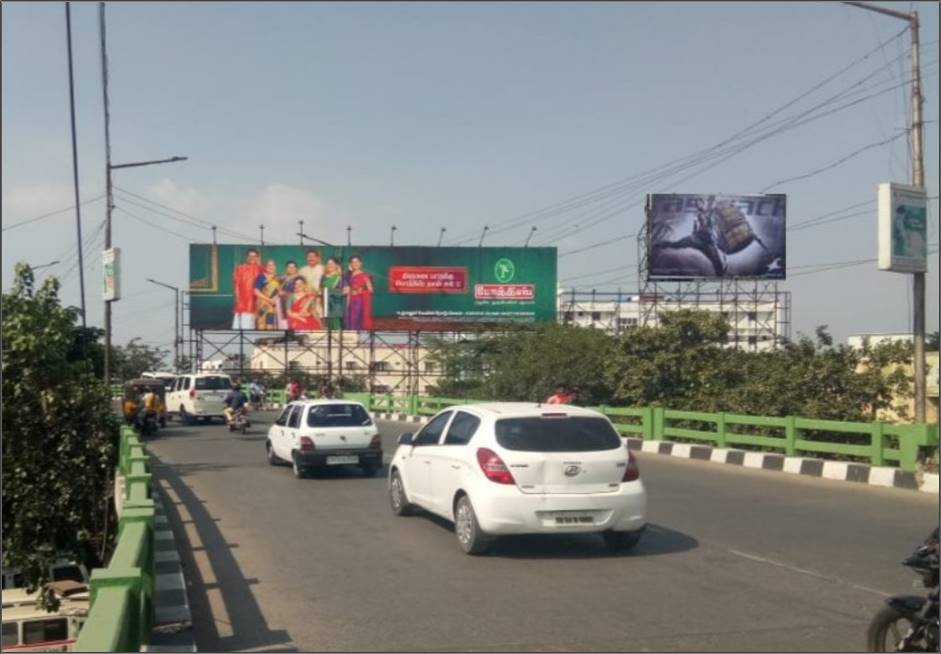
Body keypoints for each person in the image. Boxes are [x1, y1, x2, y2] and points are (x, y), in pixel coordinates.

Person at [232, 248, 262, 330]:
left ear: (257, 258)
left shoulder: (260, 269)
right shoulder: (240, 268)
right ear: (246, 257)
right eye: (250, 256)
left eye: (254, 256)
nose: (252, 258)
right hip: (242, 301)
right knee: (239, 325)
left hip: (255, 301)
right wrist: (238, 300)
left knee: (252, 325)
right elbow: (236, 286)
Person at [343, 255, 374, 330]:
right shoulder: (347, 275)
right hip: (349, 300)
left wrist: (361, 290)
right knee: (348, 320)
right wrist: (349, 289)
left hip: (359, 302)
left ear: (361, 263)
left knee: (356, 320)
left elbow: (371, 290)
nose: (355, 263)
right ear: (350, 264)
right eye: (353, 262)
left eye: (357, 261)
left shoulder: (365, 275)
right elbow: (345, 290)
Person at [254, 260, 282, 330]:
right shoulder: (261, 277)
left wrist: (275, 298)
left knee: (270, 324)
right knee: (261, 324)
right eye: (269, 265)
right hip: (262, 304)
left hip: (272, 306)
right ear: (265, 267)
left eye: (272, 265)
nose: (271, 267)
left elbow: (280, 291)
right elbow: (256, 291)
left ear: (275, 267)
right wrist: (268, 299)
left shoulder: (278, 277)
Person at [298, 249, 325, 319]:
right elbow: (298, 284)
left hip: (319, 299)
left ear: (317, 258)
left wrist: (318, 292)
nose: (311, 258)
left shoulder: (323, 268)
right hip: (305, 299)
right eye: (309, 257)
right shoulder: (302, 270)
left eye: (313, 256)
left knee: (320, 320)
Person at [321, 257, 344, 331]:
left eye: (332, 263)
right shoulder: (323, 276)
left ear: (336, 265)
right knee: (328, 325)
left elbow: (345, 290)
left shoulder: (340, 277)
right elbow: (320, 289)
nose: (329, 265)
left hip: (335, 304)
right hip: (325, 303)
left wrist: (332, 292)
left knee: (336, 324)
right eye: (328, 263)